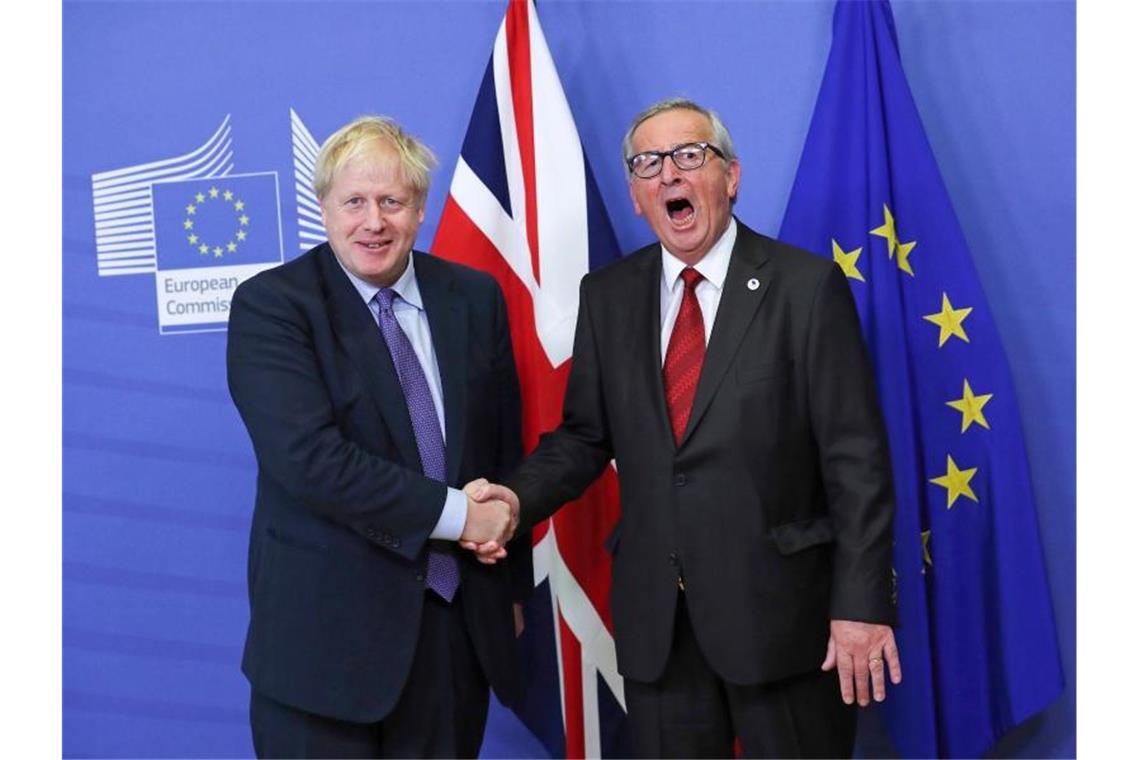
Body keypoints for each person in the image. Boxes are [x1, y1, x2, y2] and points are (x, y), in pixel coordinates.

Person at [468, 98, 902, 758]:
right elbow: (585, 436)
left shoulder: (805, 287)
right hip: (659, 633)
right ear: (637, 196)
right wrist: (516, 500)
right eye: (648, 163)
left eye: (688, 155)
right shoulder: (608, 296)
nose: (668, 173)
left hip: (784, 625)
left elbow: (857, 462)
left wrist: (862, 606)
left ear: (730, 176)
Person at [226, 115, 529, 758]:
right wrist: (462, 516)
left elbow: (502, 449)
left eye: (392, 201)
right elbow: (309, 460)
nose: (374, 222)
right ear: (325, 209)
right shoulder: (273, 306)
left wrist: (508, 571)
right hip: (322, 653)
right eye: (355, 202)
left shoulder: (475, 297)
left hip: (453, 640)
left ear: (420, 209)